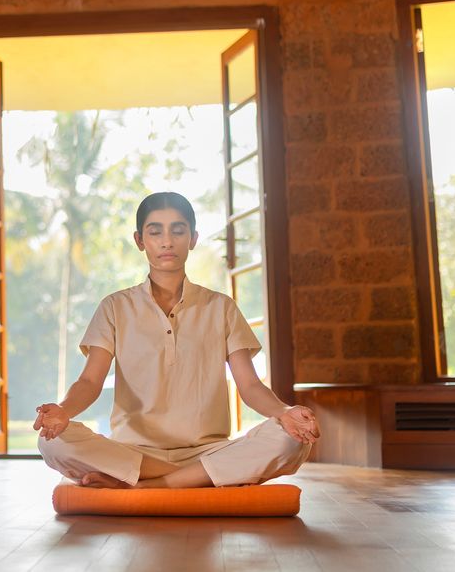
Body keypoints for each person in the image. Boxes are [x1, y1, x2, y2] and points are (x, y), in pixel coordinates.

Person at [34, 191, 319, 489]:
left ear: (193, 239)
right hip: (134, 452)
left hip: (208, 451)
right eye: (155, 231)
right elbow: (90, 382)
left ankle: (148, 485)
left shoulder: (221, 307)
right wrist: (63, 411)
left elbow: (249, 386)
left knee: (292, 439)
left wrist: (285, 412)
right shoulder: (114, 307)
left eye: (178, 231)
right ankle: (196, 478)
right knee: (53, 442)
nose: (167, 241)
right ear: (140, 240)